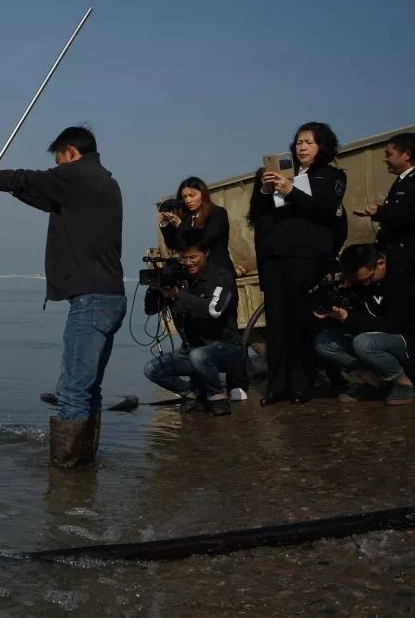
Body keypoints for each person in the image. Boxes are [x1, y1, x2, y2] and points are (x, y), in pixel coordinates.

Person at [0, 126, 124, 468]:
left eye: (58, 160)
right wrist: (0, 184)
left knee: (72, 391)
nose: (57, 167)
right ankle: (84, 469)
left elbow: (28, 179)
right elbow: (41, 194)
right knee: (88, 388)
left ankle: (66, 476)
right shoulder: (102, 182)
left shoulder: (78, 176)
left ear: (70, 152)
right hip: (110, 297)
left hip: (91, 301)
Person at [256, 121, 347, 405]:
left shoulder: (332, 175)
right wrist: (265, 190)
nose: (302, 147)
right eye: (298, 142)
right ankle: (276, 385)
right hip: (275, 256)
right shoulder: (285, 174)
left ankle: (300, 384)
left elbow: (324, 208)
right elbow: (259, 215)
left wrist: (290, 190)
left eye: (309, 142)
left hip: (306, 255)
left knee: (300, 321)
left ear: (323, 146)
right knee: (277, 322)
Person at [159, 176, 249, 398]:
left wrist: (181, 225)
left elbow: (205, 240)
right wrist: (166, 224)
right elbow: (176, 244)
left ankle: (237, 382)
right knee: (195, 328)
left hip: (219, 275)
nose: (188, 201)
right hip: (196, 278)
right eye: (184, 197)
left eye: (192, 195)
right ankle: (201, 384)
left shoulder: (217, 214)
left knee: (227, 326)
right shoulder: (187, 219)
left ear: (203, 194)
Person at [142, 235, 241, 416]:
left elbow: (214, 310)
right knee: (152, 369)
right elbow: (150, 311)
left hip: (226, 348)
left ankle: (216, 397)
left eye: (193, 257)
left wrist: (178, 295)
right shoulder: (178, 279)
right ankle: (193, 394)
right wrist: (155, 289)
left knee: (199, 355)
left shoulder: (221, 277)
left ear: (206, 253)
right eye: (183, 258)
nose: (188, 263)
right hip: (192, 350)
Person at [311, 244, 415, 406]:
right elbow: (359, 313)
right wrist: (336, 305)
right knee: (324, 342)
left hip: (406, 338)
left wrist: (348, 318)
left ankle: (404, 383)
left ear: (381, 263)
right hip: (375, 337)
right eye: (359, 281)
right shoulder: (358, 281)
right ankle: (375, 383)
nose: (365, 284)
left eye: (368, 279)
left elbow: (392, 325)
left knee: (363, 343)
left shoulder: (404, 277)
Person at [362, 132, 415, 251]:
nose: (385, 159)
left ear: (407, 155)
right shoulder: (402, 180)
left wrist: (381, 212)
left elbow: (409, 215)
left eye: (389, 154)